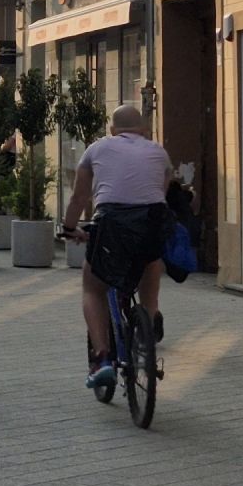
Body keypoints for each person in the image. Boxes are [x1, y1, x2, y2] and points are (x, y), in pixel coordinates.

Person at [61, 104, 175, 389]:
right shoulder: (159, 152)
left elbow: (79, 197)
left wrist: (68, 228)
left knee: (93, 286)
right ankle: (147, 324)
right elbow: (159, 192)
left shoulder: (96, 149)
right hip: (152, 220)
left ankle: (101, 358)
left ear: (111, 130)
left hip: (112, 221)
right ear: (144, 131)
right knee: (151, 264)